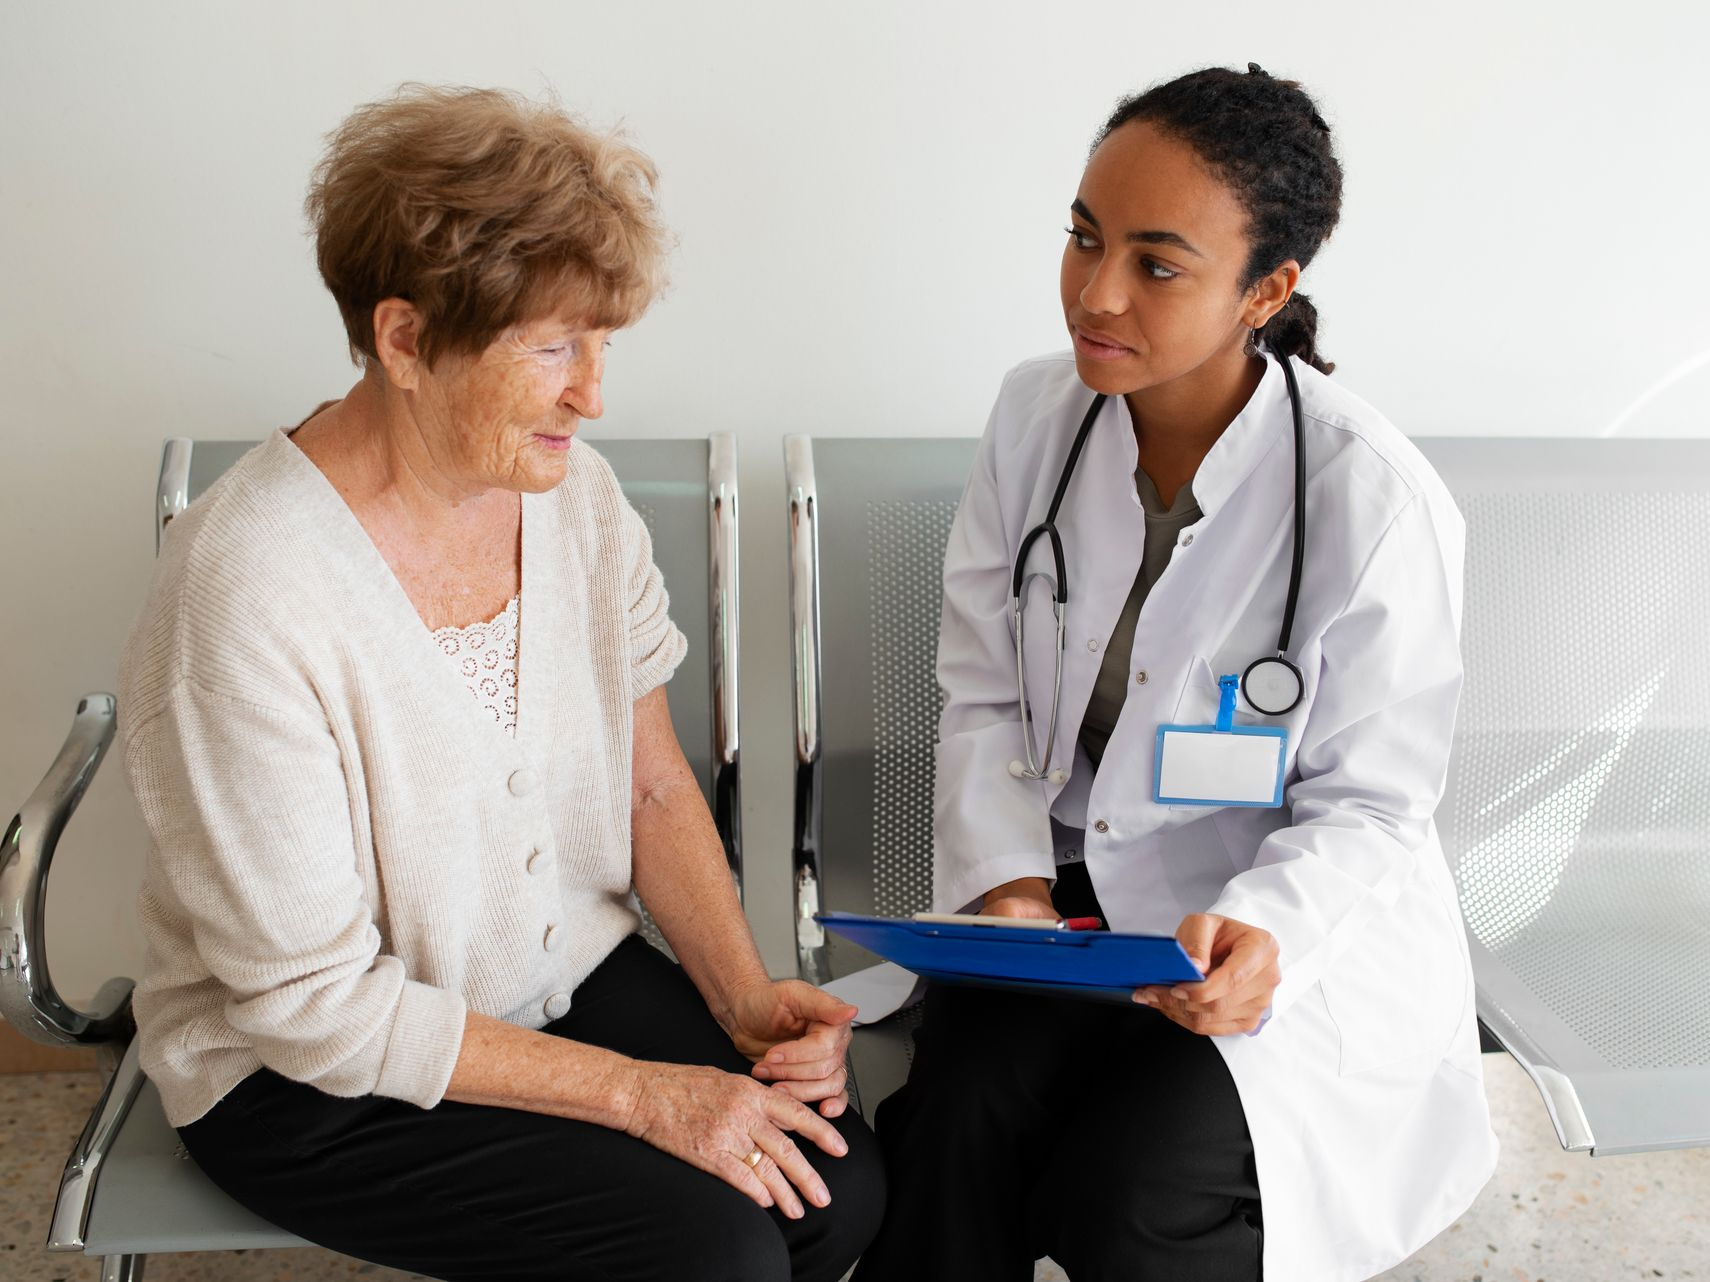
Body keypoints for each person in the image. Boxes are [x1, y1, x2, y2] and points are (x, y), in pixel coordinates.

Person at [119, 85, 882, 1282]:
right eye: (550, 346)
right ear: (406, 339)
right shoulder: (246, 586)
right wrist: (647, 1098)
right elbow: (314, 1006)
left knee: (834, 1188)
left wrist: (743, 1004)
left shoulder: (573, 499)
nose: (593, 394)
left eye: (603, 343)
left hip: (555, 974)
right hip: (310, 1073)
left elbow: (650, 788)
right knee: (711, 1247)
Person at [855, 65, 1496, 1282]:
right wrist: (1006, 887)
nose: (1094, 294)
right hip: (1066, 917)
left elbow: (1372, 806)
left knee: (1130, 1194)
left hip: (1259, 939)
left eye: (1156, 263)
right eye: (1084, 239)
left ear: (1268, 288)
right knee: (955, 1125)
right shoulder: (1034, 419)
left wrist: (1263, 937)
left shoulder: (1372, 500)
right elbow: (985, 692)